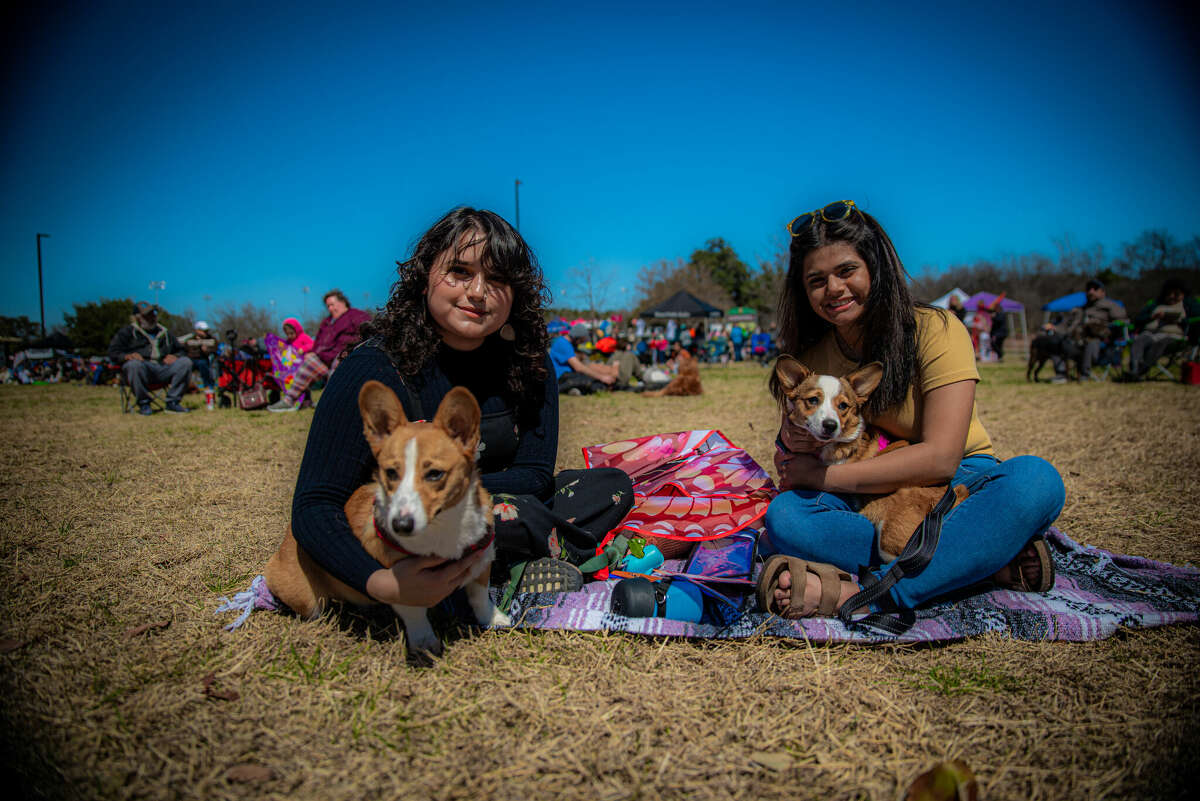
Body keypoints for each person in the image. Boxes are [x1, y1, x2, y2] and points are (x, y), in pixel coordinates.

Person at [289, 208, 633, 616]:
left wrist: (455, 488)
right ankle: (486, 575)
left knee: (608, 486)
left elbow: (537, 473)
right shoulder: (373, 366)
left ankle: (495, 570)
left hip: (496, 508)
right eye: (459, 271)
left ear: (517, 293)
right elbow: (316, 502)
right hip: (397, 527)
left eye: (498, 278)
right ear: (423, 276)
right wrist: (379, 581)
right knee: (496, 517)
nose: (478, 291)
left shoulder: (532, 364)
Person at [759, 200, 1064, 621]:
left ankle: (868, 594)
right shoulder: (811, 359)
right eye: (816, 280)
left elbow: (941, 458)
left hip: (956, 479)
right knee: (786, 518)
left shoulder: (936, 329)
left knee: (1035, 482)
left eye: (847, 271)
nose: (833, 289)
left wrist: (821, 476)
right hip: (865, 491)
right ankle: (980, 562)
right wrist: (793, 448)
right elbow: (792, 449)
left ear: (875, 268)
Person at [268, 290, 370, 412]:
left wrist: (354, 348)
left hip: (344, 356)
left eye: (332, 304)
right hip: (324, 359)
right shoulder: (326, 322)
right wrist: (313, 352)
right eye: (328, 306)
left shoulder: (356, 315)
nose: (330, 308)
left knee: (339, 360)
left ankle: (328, 401)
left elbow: (367, 332)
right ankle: (289, 400)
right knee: (309, 361)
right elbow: (317, 343)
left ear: (343, 302)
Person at [107, 301, 193, 415]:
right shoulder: (127, 332)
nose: (152, 317)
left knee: (185, 362)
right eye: (147, 315)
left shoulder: (164, 332)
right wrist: (127, 356)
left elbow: (182, 350)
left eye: (153, 313)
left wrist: (176, 356)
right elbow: (113, 352)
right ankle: (144, 403)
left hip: (163, 368)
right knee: (134, 364)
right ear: (137, 317)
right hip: (143, 369)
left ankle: (173, 403)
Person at [1124, 278, 1198, 380]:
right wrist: (1152, 317)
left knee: (1159, 344)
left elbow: (1196, 319)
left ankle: (1141, 371)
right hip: (1151, 333)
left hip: (1174, 337)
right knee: (1139, 341)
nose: (1172, 297)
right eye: (1168, 294)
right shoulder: (1155, 304)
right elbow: (1138, 320)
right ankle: (1134, 369)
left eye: (1176, 294)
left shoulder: (1189, 305)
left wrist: (1180, 321)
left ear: (1183, 294)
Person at [1056, 279, 1127, 382]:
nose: (1091, 291)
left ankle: (1085, 374)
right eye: (1089, 289)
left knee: (1091, 342)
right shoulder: (1083, 308)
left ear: (1103, 292)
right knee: (1056, 341)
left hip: (1102, 341)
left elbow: (1123, 321)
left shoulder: (1111, 305)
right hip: (1079, 339)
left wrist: (1102, 325)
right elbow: (1069, 324)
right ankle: (1061, 373)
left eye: (1095, 289)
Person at [550, 323, 619, 395]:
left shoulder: (569, 344)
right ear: (577, 338)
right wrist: (602, 377)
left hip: (569, 375)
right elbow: (578, 367)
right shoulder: (562, 343)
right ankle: (568, 389)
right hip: (561, 378)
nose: (581, 344)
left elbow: (584, 361)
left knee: (595, 380)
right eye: (581, 341)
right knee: (594, 383)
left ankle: (574, 390)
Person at [181, 320, 218, 390]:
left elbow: (215, 349)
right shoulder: (190, 340)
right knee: (184, 365)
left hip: (204, 359)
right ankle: (186, 386)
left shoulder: (211, 339)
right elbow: (185, 349)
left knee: (202, 364)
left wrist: (207, 351)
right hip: (191, 360)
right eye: (204, 331)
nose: (206, 332)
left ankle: (208, 386)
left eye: (207, 331)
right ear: (197, 330)